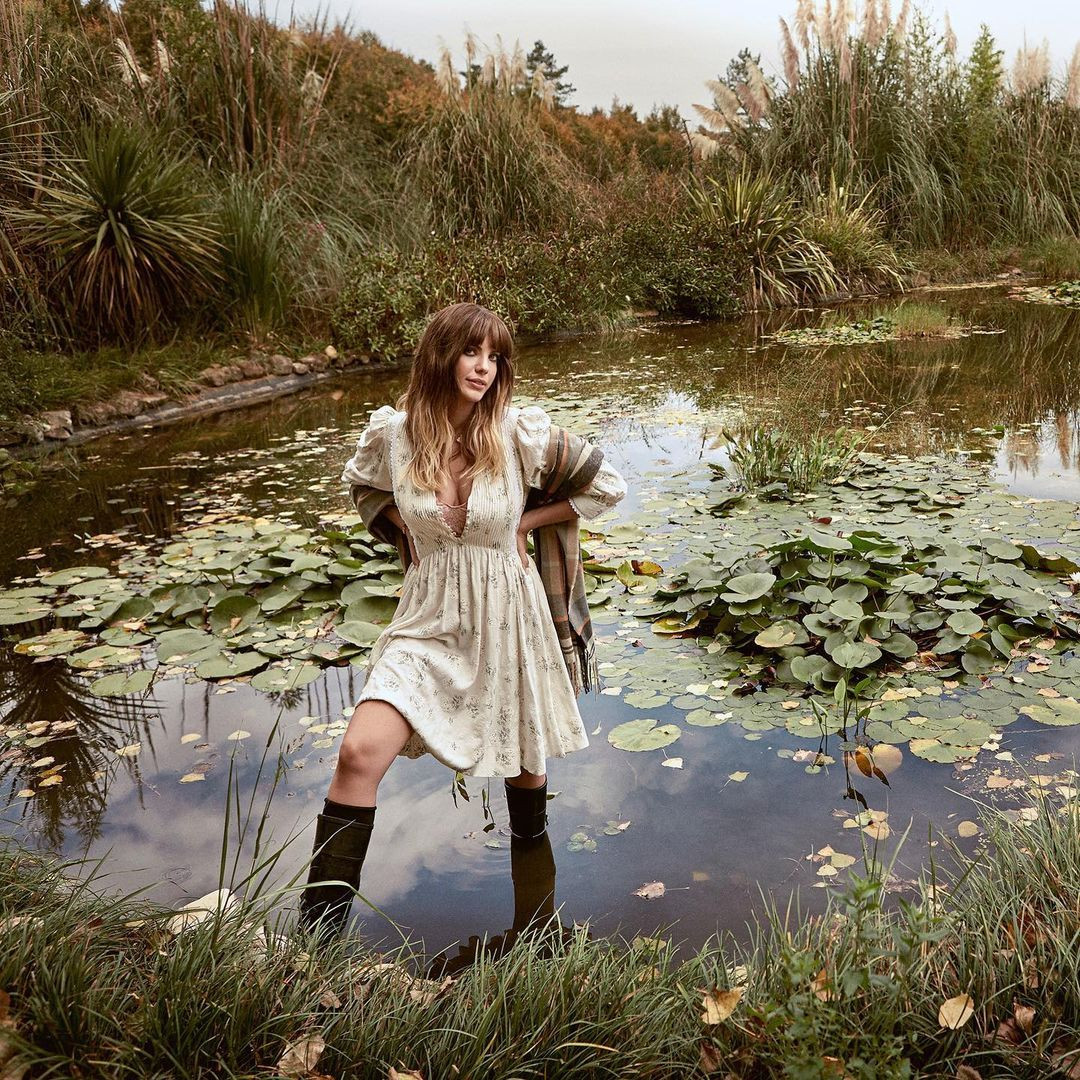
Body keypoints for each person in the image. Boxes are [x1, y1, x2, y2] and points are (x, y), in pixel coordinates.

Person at [299, 302, 627, 939]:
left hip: (508, 611)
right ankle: (315, 943)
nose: (484, 367)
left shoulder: (516, 433)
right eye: (472, 352)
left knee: (525, 765)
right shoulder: (393, 436)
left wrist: (521, 525)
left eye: (494, 356)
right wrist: (403, 527)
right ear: (440, 355)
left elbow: (605, 485)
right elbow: (362, 487)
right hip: (427, 616)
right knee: (358, 752)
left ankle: (535, 930)